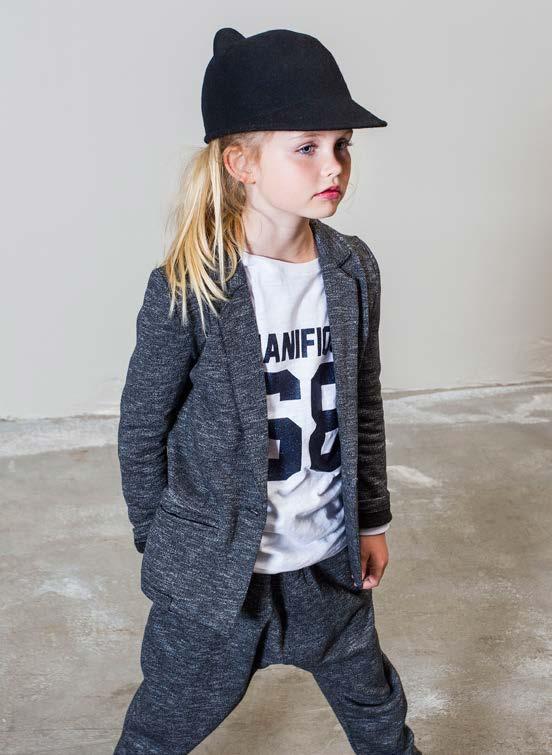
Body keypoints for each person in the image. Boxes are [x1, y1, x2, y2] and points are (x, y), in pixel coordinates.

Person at [114, 26, 421, 755]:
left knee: (380, 715)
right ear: (242, 162)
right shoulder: (191, 286)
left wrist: (370, 518)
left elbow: (362, 404)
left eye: (342, 145)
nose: (334, 165)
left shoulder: (352, 271)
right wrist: (165, 542)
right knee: (160, 729)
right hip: (221, 584)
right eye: (307, 147)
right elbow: (142, 426)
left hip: (327, 567)